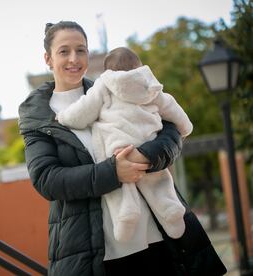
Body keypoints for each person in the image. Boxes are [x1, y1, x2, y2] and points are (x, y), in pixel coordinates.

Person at [18, 21, 226, 275]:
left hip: (160, 237)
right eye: (64, 51)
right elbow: (47, 179)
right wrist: (114, 173)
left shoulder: (118, 86)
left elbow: (171, 131)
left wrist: (146, 156)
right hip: (101, 253)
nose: (74, 58)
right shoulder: (38, 116)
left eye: (81, 50)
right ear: (48, 59)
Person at [56, 47, 193, 243]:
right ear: (139, 66)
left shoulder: (104, 84)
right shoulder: (151, 84)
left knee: (120, 184)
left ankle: (126, 214)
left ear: (108, 71)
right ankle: (171, 211)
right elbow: (172, 108)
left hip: (118, 146)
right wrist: (186, 128)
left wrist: (62, 117)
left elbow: (83, 112)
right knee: (158, 180)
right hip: (148, 143)